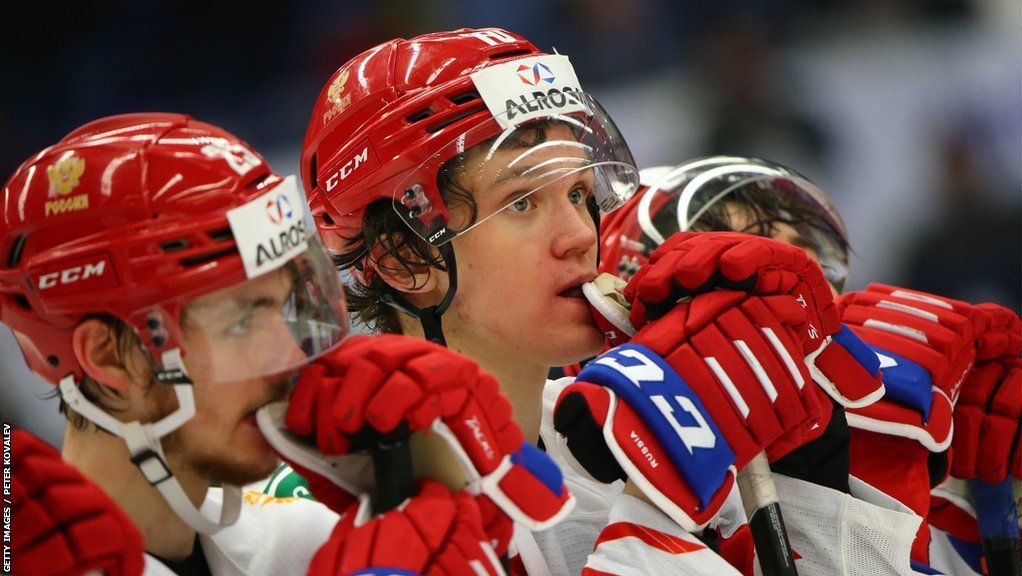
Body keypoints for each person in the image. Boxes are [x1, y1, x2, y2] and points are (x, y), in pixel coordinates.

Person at [292, 28, 886, 575]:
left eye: (579, 193)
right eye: (522, 202)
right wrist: (662, 503)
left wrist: (813, 475)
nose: (582, 234)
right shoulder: (316, 516)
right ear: (404, 256)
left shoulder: (605, 440)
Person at [597, 156, 1021, 575]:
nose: (795, 281)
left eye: (806, 258)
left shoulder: (938, 468)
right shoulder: (570, 461)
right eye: (742, 260)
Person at [1, 113, 349, 575]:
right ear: (109, 359)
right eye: (242, 321)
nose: (290, 356)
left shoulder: (305, 540)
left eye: (283, 308)